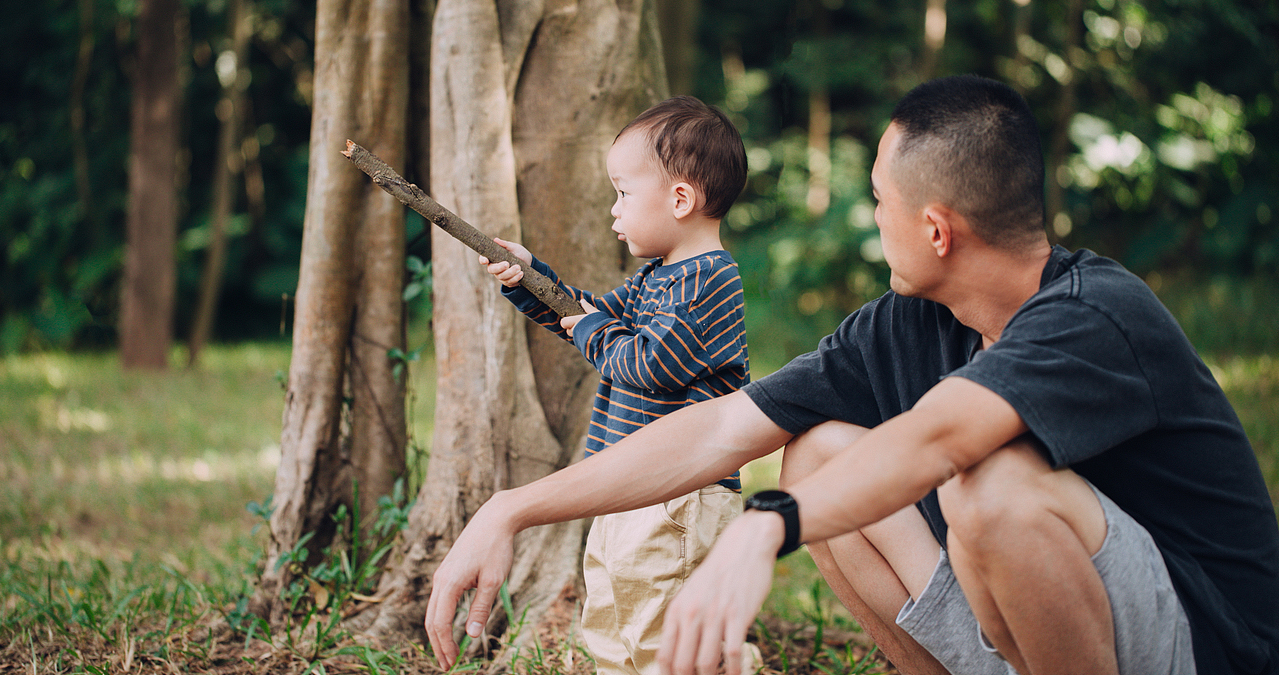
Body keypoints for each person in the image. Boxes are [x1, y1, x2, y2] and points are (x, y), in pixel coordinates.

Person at [426, 75, 1279, 675]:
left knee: (990, 486)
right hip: (1049, 632)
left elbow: (943, 436)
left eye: (878, 201)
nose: (872, 218)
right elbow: (727, 423)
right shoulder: (906, 321)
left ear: (937, 228)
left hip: (1201, 647)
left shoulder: (1097, 314)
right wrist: (516, 507)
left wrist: (764, 528)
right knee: (821, 451)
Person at [475, 95, 754, 675]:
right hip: (631, 489)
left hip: (679, 498)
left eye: (624, 193)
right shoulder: (659, 275)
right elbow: (589, 317)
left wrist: (595, 328)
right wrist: (532, 279)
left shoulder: (708, 281)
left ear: (681, 199)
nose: (614, 209)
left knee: (663, 634)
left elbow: (646, 365)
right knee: (611, 621)